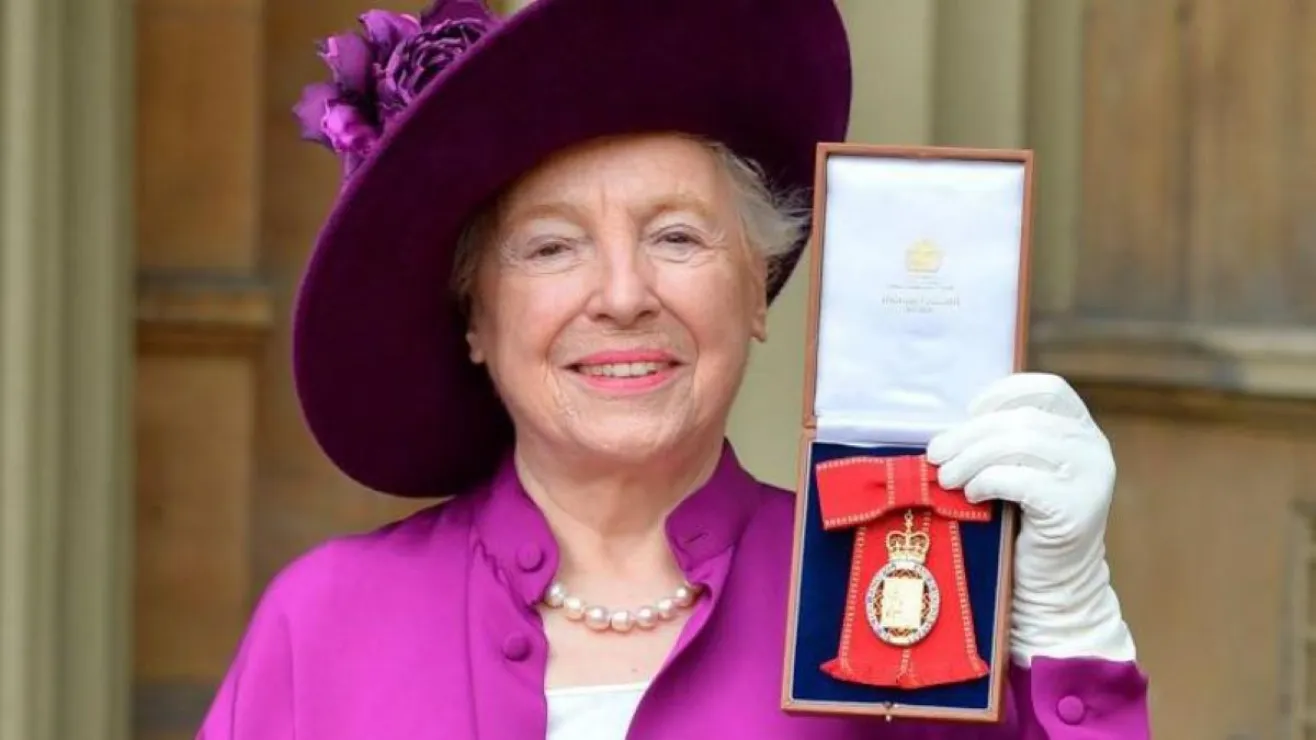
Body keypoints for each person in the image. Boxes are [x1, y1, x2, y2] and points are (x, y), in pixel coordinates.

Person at [198, 0, 1150, 737]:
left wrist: (1071, 628)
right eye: (552, 248)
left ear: (756, 291)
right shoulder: (327, 621)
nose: (623, 295)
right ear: (476, 319)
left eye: (677, 237)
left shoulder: (896, 602)